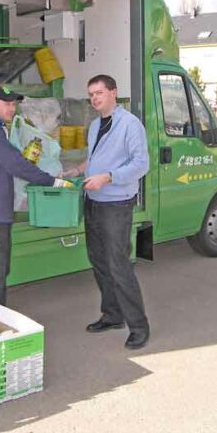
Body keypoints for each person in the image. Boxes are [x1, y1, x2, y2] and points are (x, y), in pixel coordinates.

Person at [63, 74, 151, 349]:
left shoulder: (130, 125)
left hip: (116, 203)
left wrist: (108, 177)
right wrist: (79, 170)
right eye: (91, 94)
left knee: (119, 264)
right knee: (99, 261)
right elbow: (96, 158)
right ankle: (112, 315)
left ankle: (139, 326)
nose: (95, 98)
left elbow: (141, 163)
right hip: (94, 201)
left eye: (99, 92)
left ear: (114, 93)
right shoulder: (95, 124)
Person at [0, 85, 68, 305]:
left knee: (0, 271)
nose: (12, 108)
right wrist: (51, 180)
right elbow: (13, 163)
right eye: (7, 104)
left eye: (13, 104)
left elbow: (10, 163)